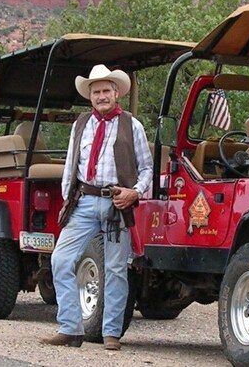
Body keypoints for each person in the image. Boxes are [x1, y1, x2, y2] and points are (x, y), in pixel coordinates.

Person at [41, 65, 152, 351]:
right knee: (61, 260)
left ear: (117, 93)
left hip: (118, 203)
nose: (102, 96)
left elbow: (147, 169)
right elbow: (70, 166)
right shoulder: (80, 125)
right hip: (84, 201)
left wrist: (134, 193)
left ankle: (111, 334)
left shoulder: (132, 125)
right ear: (90, 96)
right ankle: (71, 328)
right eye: (96, 92)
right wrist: (68, 200)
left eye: (106, 91)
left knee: (115, 269)